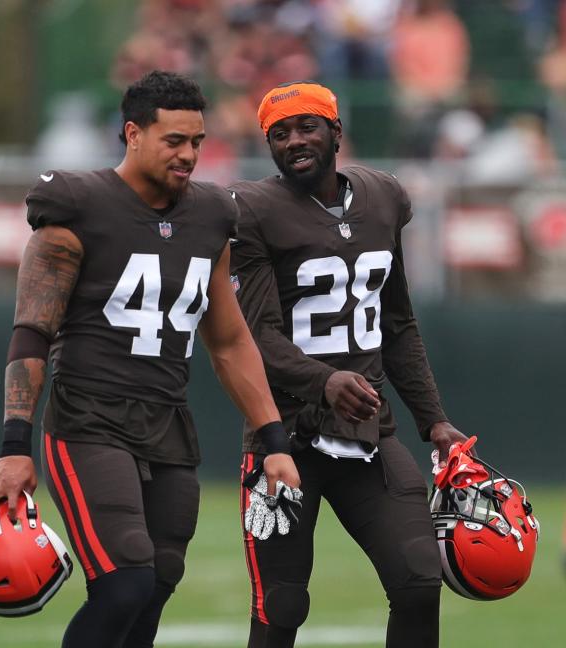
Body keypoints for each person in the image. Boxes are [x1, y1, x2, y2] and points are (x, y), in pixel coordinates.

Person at [0, 70, 300, 648]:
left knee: (158, 582)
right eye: (174, 140)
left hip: (168, 422)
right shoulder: (77, 204)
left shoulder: (210, 217)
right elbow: (31, 333)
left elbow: (228, 340)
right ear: (132, 133)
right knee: (124, 581)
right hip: (89, 418)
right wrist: (13, 447)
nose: (188, 155)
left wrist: (273, 441)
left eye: (197, 142)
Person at [228, 81, 468, 648]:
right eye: (279, 134)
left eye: (307, 127)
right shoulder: (254, 210)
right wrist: (325, 380)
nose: (294, 142)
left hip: (368, 434)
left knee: (417, 582)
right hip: (283, 436)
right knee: (281, 605)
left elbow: (398, 322)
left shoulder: (383, 197)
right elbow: (252, 335)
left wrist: (433, 420)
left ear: (336, 132)